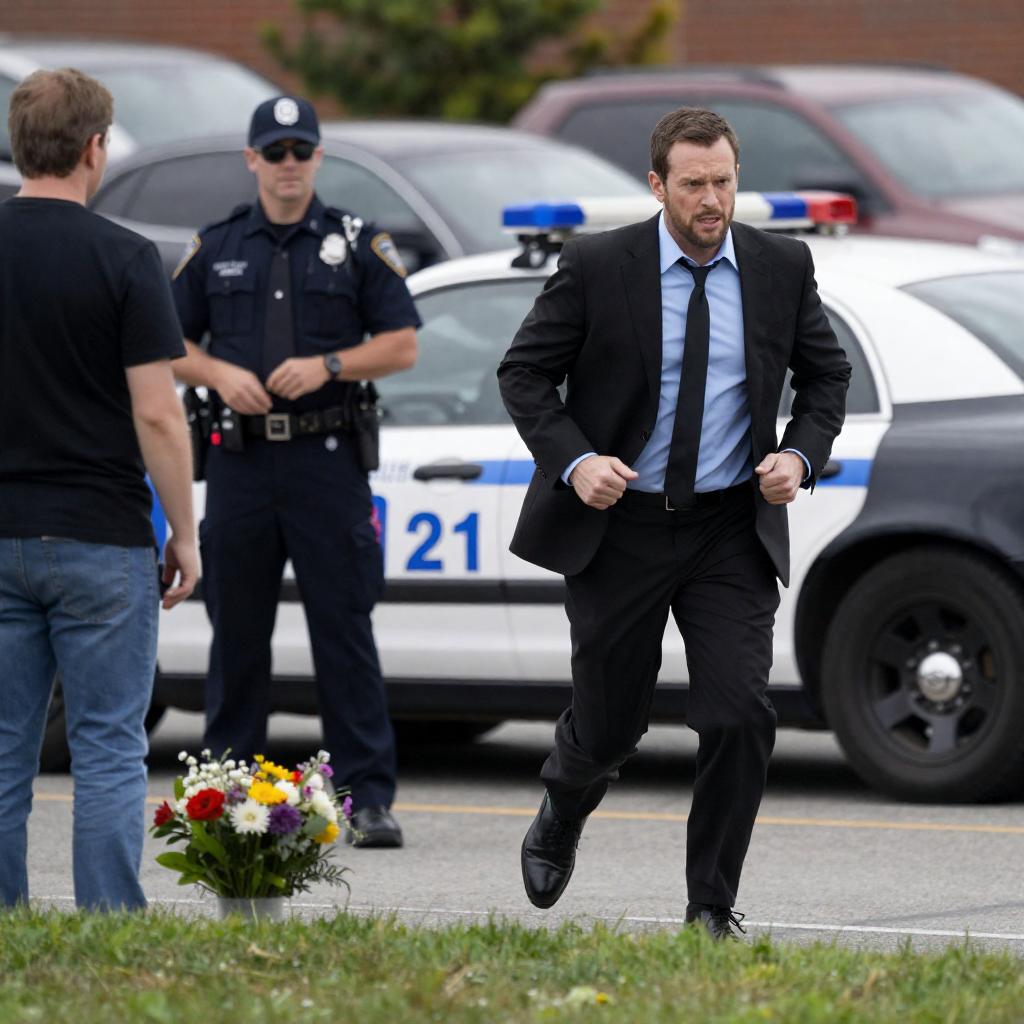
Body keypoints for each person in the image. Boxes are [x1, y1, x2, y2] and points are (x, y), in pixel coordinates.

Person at [498, 107, 851, 940]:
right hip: (620, 525)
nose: (711, 200)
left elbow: (827, 376)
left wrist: (800, 456)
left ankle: (709, 907)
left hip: (727, 527)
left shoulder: (780, 265)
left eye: (723, 181)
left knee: (738, 714)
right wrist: (577, 462)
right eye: (693, 184)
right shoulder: (597, 265)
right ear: (658, 185)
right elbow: (524, 374)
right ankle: (566, 799)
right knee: (611, 724)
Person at [170, 96, 419, 849]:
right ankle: (227, 797)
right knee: (236, 635)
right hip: (241, 462)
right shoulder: (217, 246)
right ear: (252, 160)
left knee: (344, 632)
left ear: (318, 158)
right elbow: (169, 343)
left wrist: (329, 365)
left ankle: (365, 798)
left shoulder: (357, 241)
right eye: (274, 152)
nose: (288, 165)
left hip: (325, 460)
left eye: (300, 151)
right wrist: (219, 373)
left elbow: (402, 343)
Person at [0, 68, 198, 911]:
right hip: (101, 533)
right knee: (110, 748)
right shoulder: (125, 256)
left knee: (3, 749)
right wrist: (184, 532)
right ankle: (108, 924)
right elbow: (157, 414)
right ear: (94, 148)